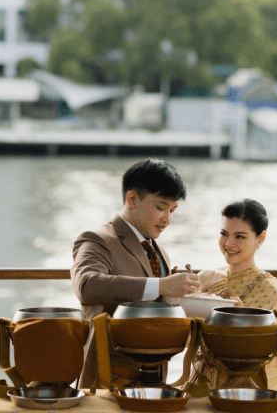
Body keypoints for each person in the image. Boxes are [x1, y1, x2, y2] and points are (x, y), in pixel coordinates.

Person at [71, 158, 201, 388]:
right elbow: (87, 286)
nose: (167, 219)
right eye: (161, 208)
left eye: (172, 210)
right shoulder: (97, 238)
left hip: (154, 379)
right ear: (132, 199)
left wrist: (197, 296)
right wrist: (161, 285)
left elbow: (162, 303)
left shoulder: (159, 250)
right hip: (107, 379)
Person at [192, 198, 277, 391]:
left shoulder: (267, 288)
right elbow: (185, 338)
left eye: (240, 237)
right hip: (201, 380)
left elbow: (269, 348)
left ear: (260, 238)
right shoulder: (207, 278)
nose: (229, 243)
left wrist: (242, 318)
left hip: (244, 386)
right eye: (224, 234)